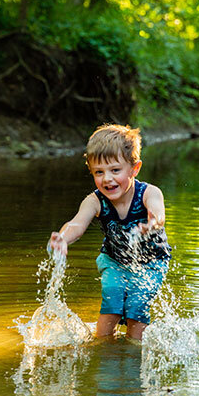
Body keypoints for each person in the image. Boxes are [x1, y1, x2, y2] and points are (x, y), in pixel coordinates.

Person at [47, 124, 172, 341]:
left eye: (115, 170)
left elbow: (158, 214)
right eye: (99, 172)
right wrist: (63, 237)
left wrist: (152, 223)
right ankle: (104, 349)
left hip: (151, 262)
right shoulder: (95, 200)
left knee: (137, 305)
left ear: (134, 169)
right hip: (114, 260)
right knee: (111, 302)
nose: (107, 179)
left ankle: (134, 351)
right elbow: (77, 224)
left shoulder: (149, 193)